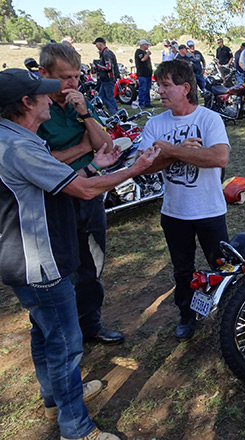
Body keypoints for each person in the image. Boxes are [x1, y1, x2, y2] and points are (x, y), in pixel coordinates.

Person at [0, 68, 158, 440]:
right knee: (66, 345)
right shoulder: (19, 146)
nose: (49, 100)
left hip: (22, 259)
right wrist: (134, 168)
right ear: (26, 103)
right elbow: (85, 192)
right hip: (40, 261)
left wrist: (93, 165)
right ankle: (76, 427)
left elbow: (57, 180)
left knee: (44, 333)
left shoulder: (14, 138)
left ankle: (56, 396)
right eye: (42, 94)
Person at [37, 42, 125, 346]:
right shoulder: (34, 108)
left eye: (75, 76)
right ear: (44, 73)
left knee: (93, 263)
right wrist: (82, 148)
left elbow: (107, 146)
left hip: (90, 193)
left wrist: (85, 114)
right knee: (64, 271)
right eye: (64, 78)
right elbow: (40, 162)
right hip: (56, 199)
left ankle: (90, 325)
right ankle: (66, 335)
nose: (72, 83)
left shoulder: (79, 104)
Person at [138, 59, 230, 340]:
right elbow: (142, 166)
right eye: (158, 86)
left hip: (209, 210)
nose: (160, 92)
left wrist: (168, 151)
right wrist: (178, 150)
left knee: (223, 265)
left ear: (185, 87)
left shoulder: (208, 119)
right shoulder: (155, 123)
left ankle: (229, 309)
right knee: (182, 269)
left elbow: (218, 157)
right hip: (175, 212)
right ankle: (187, 314)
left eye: (166, 85)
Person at [92, 37, 119, 114]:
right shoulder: (104, 53)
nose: (96, 46)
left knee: (109, 97)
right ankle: (112, 112)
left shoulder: (106, 53)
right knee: (101, 97)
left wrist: (98, 65)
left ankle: (115, 113)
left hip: (109, 79)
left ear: (100, 43)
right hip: (105, 79)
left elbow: (108, 67)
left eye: (96, 44)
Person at [135, 39, 153, 108]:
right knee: (143, 88)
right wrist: (147, 54)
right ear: (143, 45)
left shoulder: (144, 53)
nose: (148, 46)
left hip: (147, 74)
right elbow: (142, 59)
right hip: (142, 74)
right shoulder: (139, 52)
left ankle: (147, 102)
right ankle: (141, 103)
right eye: (146, 45)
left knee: (147, 88)